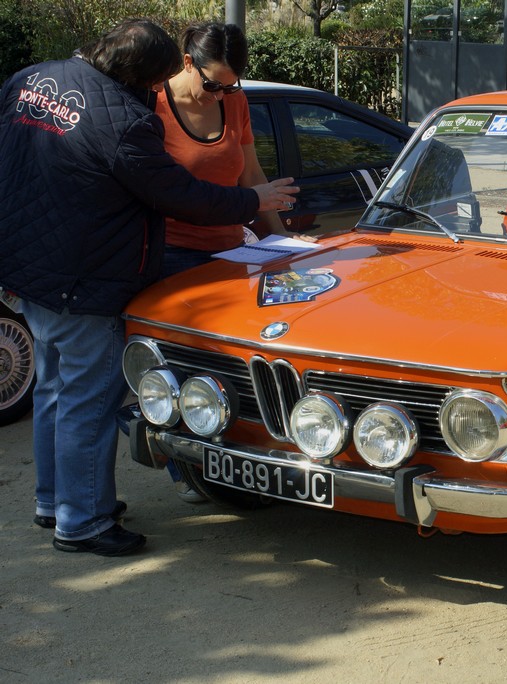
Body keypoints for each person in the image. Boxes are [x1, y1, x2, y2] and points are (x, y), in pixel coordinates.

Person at [0, 19, 299, 556]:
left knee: (54, 387)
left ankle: (55, 502)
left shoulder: (31, 80)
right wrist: (254, 203)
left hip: (31, 268)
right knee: (91, 400)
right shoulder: (124, 119)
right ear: (149, 73)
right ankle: (83, 521)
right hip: (84, 278)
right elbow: (177, 193)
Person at [154, 21, 316, 503]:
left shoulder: (234, 102)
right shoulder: (153, 105)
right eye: (213, 84)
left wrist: (282, 246)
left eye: (230, 85)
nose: (220, 94)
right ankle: (190, 468)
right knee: (184, 365)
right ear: (187, 62)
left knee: (236, 360)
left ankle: (240, 454)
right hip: (170, 253)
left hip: (231, 252)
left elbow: (252, 177)